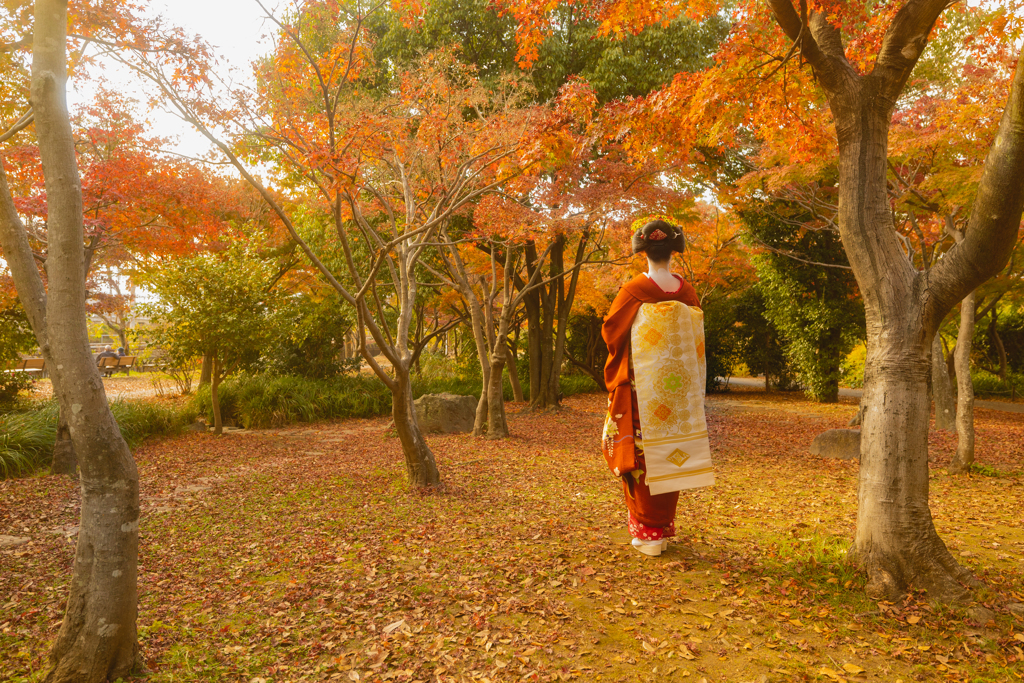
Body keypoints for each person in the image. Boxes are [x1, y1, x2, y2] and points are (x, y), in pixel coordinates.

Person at [601, 219, 713, 557]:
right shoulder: (687, 291)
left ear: (643, 252)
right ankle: (661, 526)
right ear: (673, 252)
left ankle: (648, 533)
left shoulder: (633, 290)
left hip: (640, 389)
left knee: (642, 455)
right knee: (671, 453)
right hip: (677, 392)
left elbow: (611, 333)